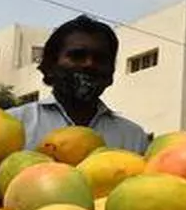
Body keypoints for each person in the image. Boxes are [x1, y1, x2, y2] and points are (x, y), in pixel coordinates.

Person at [9, 15, 150, 154]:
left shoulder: (134, 138)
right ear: (51, 66)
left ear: (111, 72)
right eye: (77, 56)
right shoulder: (16, 124)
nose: (89, 64)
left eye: (100, 59)